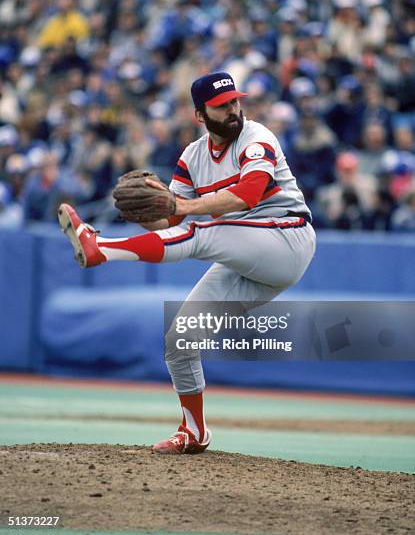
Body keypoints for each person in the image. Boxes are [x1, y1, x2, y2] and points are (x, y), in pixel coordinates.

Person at [58, 72, 316, 454]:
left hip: (287, 240)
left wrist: (182, 207)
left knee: (202, 231)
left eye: (234, 101)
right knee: (180, 341)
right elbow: (170, 223)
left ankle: (101, 248)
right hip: (245, 258)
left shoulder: (257, 138)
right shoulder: (192, 157)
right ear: (200, 114)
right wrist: (142, 212)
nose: (233, 110)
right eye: (222, 105)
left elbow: (245, 196)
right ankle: (194, 431)